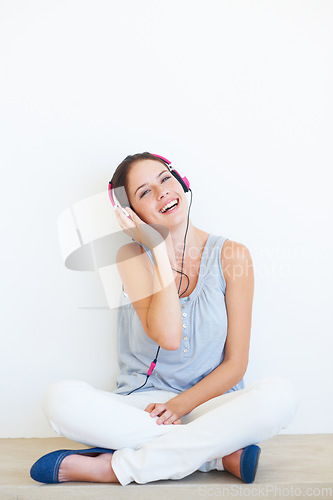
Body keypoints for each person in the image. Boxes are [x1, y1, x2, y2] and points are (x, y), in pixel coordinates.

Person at [30, 152, 298, 486]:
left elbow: (236, 363)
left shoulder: (232, 255)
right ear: (130, 214)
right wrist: (157, 248)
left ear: (181, 182)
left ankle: (115, 468)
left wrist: (180, 406)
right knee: (59, 399)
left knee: (282, 395)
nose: (162, 193)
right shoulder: (129, 256)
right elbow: (169, 337)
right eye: (144, 192)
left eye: (165, 179)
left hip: (212, 404)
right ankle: (214, 454)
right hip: (145, 406)